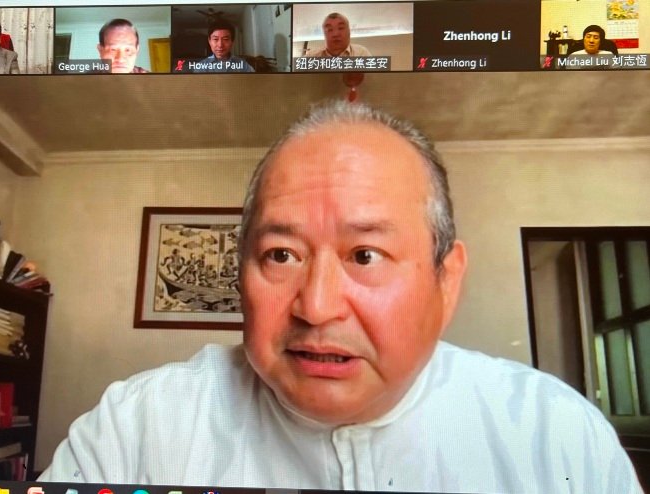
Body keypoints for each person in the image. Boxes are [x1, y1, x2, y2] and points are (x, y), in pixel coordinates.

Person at [39, 101, 642, 492]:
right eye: (281, 255)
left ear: (446, 280)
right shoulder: (136, 428)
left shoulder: (557, 438)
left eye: (365, 256)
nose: (317, 307)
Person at [305, 13, 371, 57]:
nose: (335, 34)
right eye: (330, 29)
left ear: (349, 31)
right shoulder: (311, 57)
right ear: (324, 34)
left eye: (341, 28)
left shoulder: (361, 53)